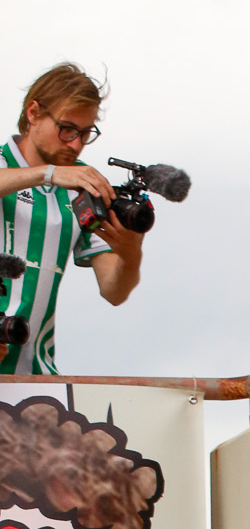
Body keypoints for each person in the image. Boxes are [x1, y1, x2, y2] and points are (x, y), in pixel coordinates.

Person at [0, 64, 147, 378]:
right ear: (33, 113)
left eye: (85, 133)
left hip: (35, 381)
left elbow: (114, 292)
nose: (76, 144)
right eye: (67, 129)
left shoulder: (82, 188)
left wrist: (131, 253)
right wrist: (48, 173)